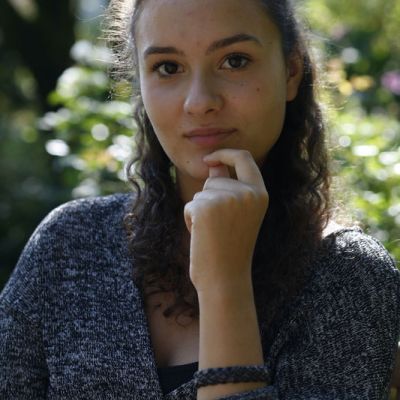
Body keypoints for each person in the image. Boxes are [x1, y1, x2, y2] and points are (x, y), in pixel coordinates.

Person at [1, 0, 399, 399]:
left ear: (291, 71)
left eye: (235, 61)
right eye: (168, 67)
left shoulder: (347, 276)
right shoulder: (70, 243)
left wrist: (226, 283)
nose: (199, 101)